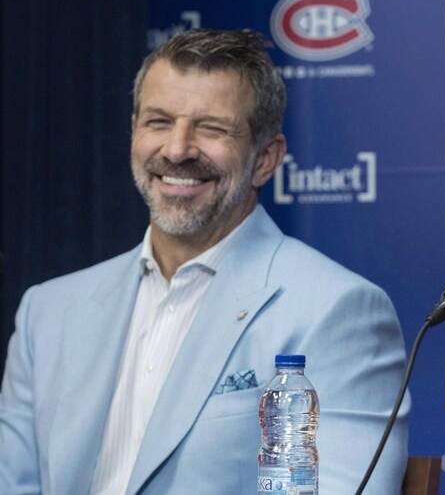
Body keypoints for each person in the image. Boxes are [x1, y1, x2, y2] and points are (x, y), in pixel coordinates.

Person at [0, 29, 409, 494]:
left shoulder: (336, 311)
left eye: (211, 128)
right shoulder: (47, 311)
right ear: (133, 131)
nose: (176, 150)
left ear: (265, 159)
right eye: (158, 122)